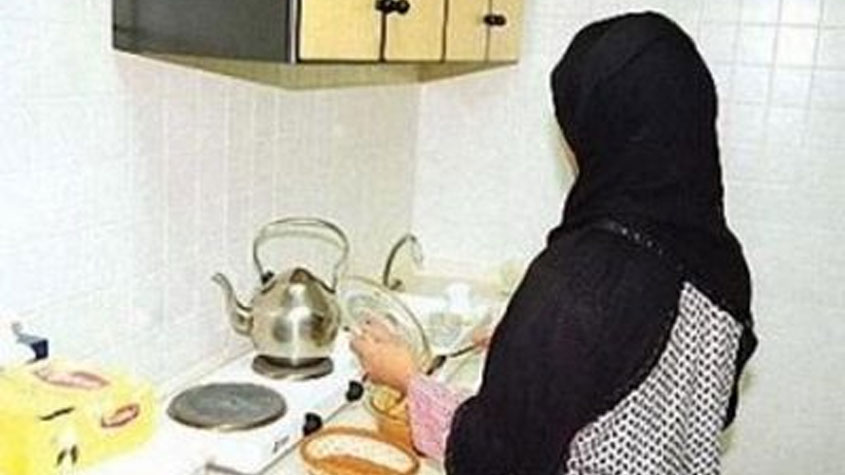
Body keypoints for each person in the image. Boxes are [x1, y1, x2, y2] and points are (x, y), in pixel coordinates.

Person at [351, 11, 757, 475]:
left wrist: (406, 377)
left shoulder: (580, 280)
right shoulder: (721, 261)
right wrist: (532, 344)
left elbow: (498, 457)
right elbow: (692, 403)